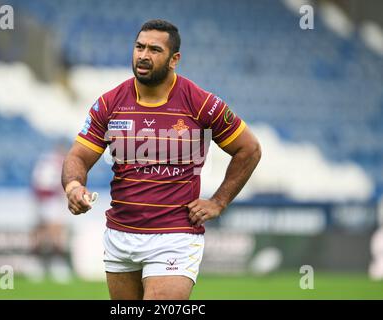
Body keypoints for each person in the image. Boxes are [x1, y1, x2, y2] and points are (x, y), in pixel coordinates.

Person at [61, 19, 261, 299]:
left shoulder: (200, 102)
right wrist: (73, 187)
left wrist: (219, 201)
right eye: (139, 47)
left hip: (174, 236)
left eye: (154, 49)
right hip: (120, 233)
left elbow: (249, 149)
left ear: (174, 59)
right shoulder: (109, 103)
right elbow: (78, 157)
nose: (143, 55)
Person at [30, 140, 72, 283]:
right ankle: (56, 267)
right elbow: (56, 184)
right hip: (51, 200)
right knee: (55, 234)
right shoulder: (57, 162)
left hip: (42, 199)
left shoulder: (45, 161)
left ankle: (38, 266)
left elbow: (36, 182)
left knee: (42, 233)